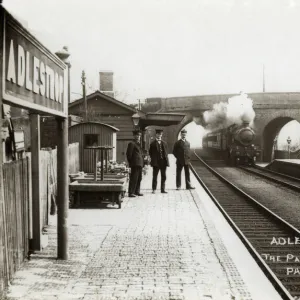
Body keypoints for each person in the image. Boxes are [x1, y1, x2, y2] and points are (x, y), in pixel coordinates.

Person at [149, 129, 169, 194]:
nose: (159, 135)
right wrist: (153, 160)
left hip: (163, 162)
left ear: (161, 135)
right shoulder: (152, 144)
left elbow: (166, 153)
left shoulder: (165, 143)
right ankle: (154, 189)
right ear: (156, 135)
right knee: (155, 176)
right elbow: (150, 153)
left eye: (160, 134)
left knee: (164, 176)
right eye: (158, 134)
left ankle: (162, 189)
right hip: (156, 163)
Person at [126, 129, 144, 197]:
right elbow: (128, 154)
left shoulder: (139, 144)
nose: (138, 137)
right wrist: (131, 163)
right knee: (134, 178)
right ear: (134, 136)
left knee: (139, 178)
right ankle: (131, 192)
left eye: (139, 135)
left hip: (140, 164)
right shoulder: (131, 144)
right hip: (135, 164)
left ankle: (137, 191)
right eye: (137, 135)